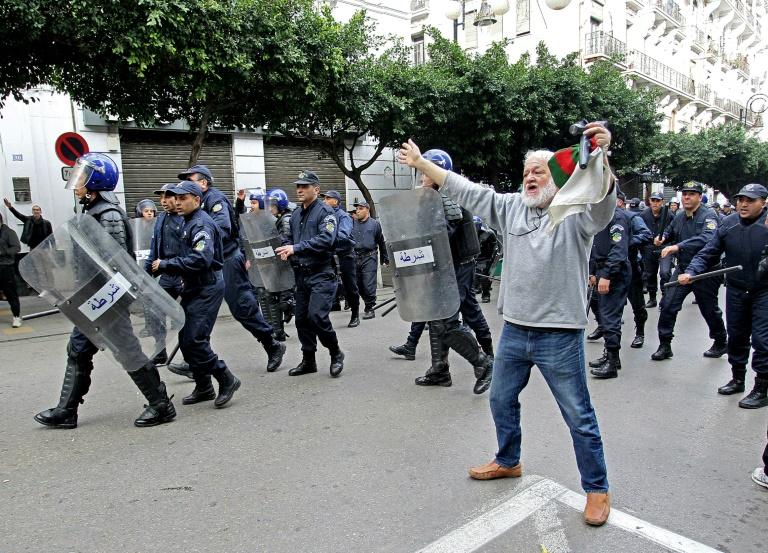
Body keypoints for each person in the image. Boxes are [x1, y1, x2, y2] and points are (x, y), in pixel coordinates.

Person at [398, 121, 615, 527]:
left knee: (578, 416)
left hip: (560, 335)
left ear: (560, 178)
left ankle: (597, 489)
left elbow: (602, 199)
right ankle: (508, 460)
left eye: (541, 171)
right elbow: (465, 189)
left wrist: (601, 154)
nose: (531, 177)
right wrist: (422, 163)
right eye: (527, 172)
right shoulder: (509, 206)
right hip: (515, 329)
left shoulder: (576, 210)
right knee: (500, 399)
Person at [34, 153, 175, 428]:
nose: (76, 184)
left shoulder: (108, 214)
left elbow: (114, 262)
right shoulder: (93, 211)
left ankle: (161, 405)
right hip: (93, 299)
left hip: (107, 299)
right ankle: (67, 411)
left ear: (96, 182)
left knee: (127, 351)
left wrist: (99, 298)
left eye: (81, 178)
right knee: (78, 349)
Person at [177, 165, 285, 373]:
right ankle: (198, 361)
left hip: (226, 260)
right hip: (210, 263)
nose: (185, 186)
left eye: (190, 180)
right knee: (200, 312)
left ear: (203, 183)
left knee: (242, 307)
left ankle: (272, 345)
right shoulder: (194, 204)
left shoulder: (214, 200)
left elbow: (223, 229)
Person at [151, 180, 242, 408]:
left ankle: (226, 378)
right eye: (177, 199)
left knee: (195, 339)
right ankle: (204, 386)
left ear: (197, 200)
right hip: (192, 286)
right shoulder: (185, 221)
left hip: (207, 287)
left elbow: (202, 258)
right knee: (186, 339)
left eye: (183, 198)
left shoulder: (201, 224)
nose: (178, 203)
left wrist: (166, 265)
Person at [676, 183, 768, 409]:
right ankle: (737, 379)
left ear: (763, 202)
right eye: (740, 200)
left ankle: (761, 387)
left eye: (750, 200)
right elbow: (708, 251)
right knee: (736, 336)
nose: (743, 204)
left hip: (764, 291)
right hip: (736, 289)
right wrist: (691, 271)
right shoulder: (728, 223)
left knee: (763, 341)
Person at [275, 170, 345, 377]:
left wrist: (296, 248)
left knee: (317, 317)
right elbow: (288, 239)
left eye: (304, 186)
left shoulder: (326, 212)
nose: (300, 190)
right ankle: (309, 360)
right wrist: (284, 250)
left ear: (316, 189)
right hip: (301, 274)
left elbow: (327, 240)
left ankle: (335, 353)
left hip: (322, 273)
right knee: (301, 319)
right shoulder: (296, 214)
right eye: (298, 186)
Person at [651, 181, 727, 361]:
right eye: (685, 193)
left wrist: (677, 246)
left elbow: (706, 239)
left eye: (692, 194)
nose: (687, 197)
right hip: (684, 268)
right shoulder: (679, 216)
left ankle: (720, 340)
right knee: (668, 305)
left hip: (706, 271)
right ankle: (665, 344)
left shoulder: (709, 216)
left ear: (700, 197)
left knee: (709, 309)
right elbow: (670, 231)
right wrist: (661, 238)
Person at [144, 183, 188, 371]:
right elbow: (155, 248)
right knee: (154, 308)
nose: (163, 201)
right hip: (166, 276)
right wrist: (144, 274)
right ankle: (160, 348)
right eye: (161, 197)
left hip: (183, 275)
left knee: (186, 318)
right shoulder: (161, 219)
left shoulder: (184, 219)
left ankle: (190, 358)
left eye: (167, 197)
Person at [587, 198, 632, 379]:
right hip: (600, 269)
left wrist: (606, 275)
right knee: (605, 316)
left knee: (610, 317)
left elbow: (619, 250)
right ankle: (612, 356)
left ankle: (612, 363)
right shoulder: (600, 217)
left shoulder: (616, 218)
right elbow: (593, 245)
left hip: (613, 271)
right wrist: (592, 272)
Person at [322, 190, 360, 327]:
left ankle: (355, 314)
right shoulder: (324, 215)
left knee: (350, 286)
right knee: (325, 284)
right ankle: (331, 308)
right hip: (329, 255)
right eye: (324, 198)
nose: (324, 201)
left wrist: (325, 240)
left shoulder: (344, 216)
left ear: (336, 201)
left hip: (345, 255)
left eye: (327, 198)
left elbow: (343, 235)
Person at [620, 193, 653, 348]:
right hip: (609, 269)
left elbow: (646, 235)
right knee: (605, 307)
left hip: (630, 266)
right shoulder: (601, 219)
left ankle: (640, 332)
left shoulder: (632, 218)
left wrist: (627, 242)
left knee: (637, 304)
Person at [351, 200, 389, 319]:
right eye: (357, 209)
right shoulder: (352, 223)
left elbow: (381, 241)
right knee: (358, 284)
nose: (357, 211)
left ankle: (369, 307)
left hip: (369, 256)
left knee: (368, 283)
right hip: (355, 256)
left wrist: (385, 257)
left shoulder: (374, 224)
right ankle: (367, 301)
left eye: (361, 208)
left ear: (367, 210)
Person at [269, 188, 295, 325]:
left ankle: (291, 308)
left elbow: (285, 240)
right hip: (280, 262)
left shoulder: (285, 220)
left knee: (285, 297)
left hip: (286, 262)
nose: (270, 208)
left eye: (272, 205)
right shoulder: (280, 218)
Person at [640, 192, 671, 308]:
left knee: (665, 272)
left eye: (658, 201)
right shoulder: (643, 215)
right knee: (650, 274)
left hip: (665, 247)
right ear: (649, 201)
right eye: (653, 200)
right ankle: (652, 298)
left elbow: (672, 229)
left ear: (662, 202)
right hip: (649, 248)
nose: (655, 203)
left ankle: (665, 298)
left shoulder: (669, 214)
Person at [0, 212, 22, 327]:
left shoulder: (9, 233)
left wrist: (3, 252)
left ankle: (16, 317)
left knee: (11, 293)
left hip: (6, 267)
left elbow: (17, 248)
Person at [473, 216, 500, 304]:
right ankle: (477, 290)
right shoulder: (469, 235)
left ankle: (486, 294)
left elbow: (495, 248)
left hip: (486, 259)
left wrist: (492, 262)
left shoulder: (488, 234)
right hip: (475, 259)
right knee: (474, 278)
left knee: (484, 278)